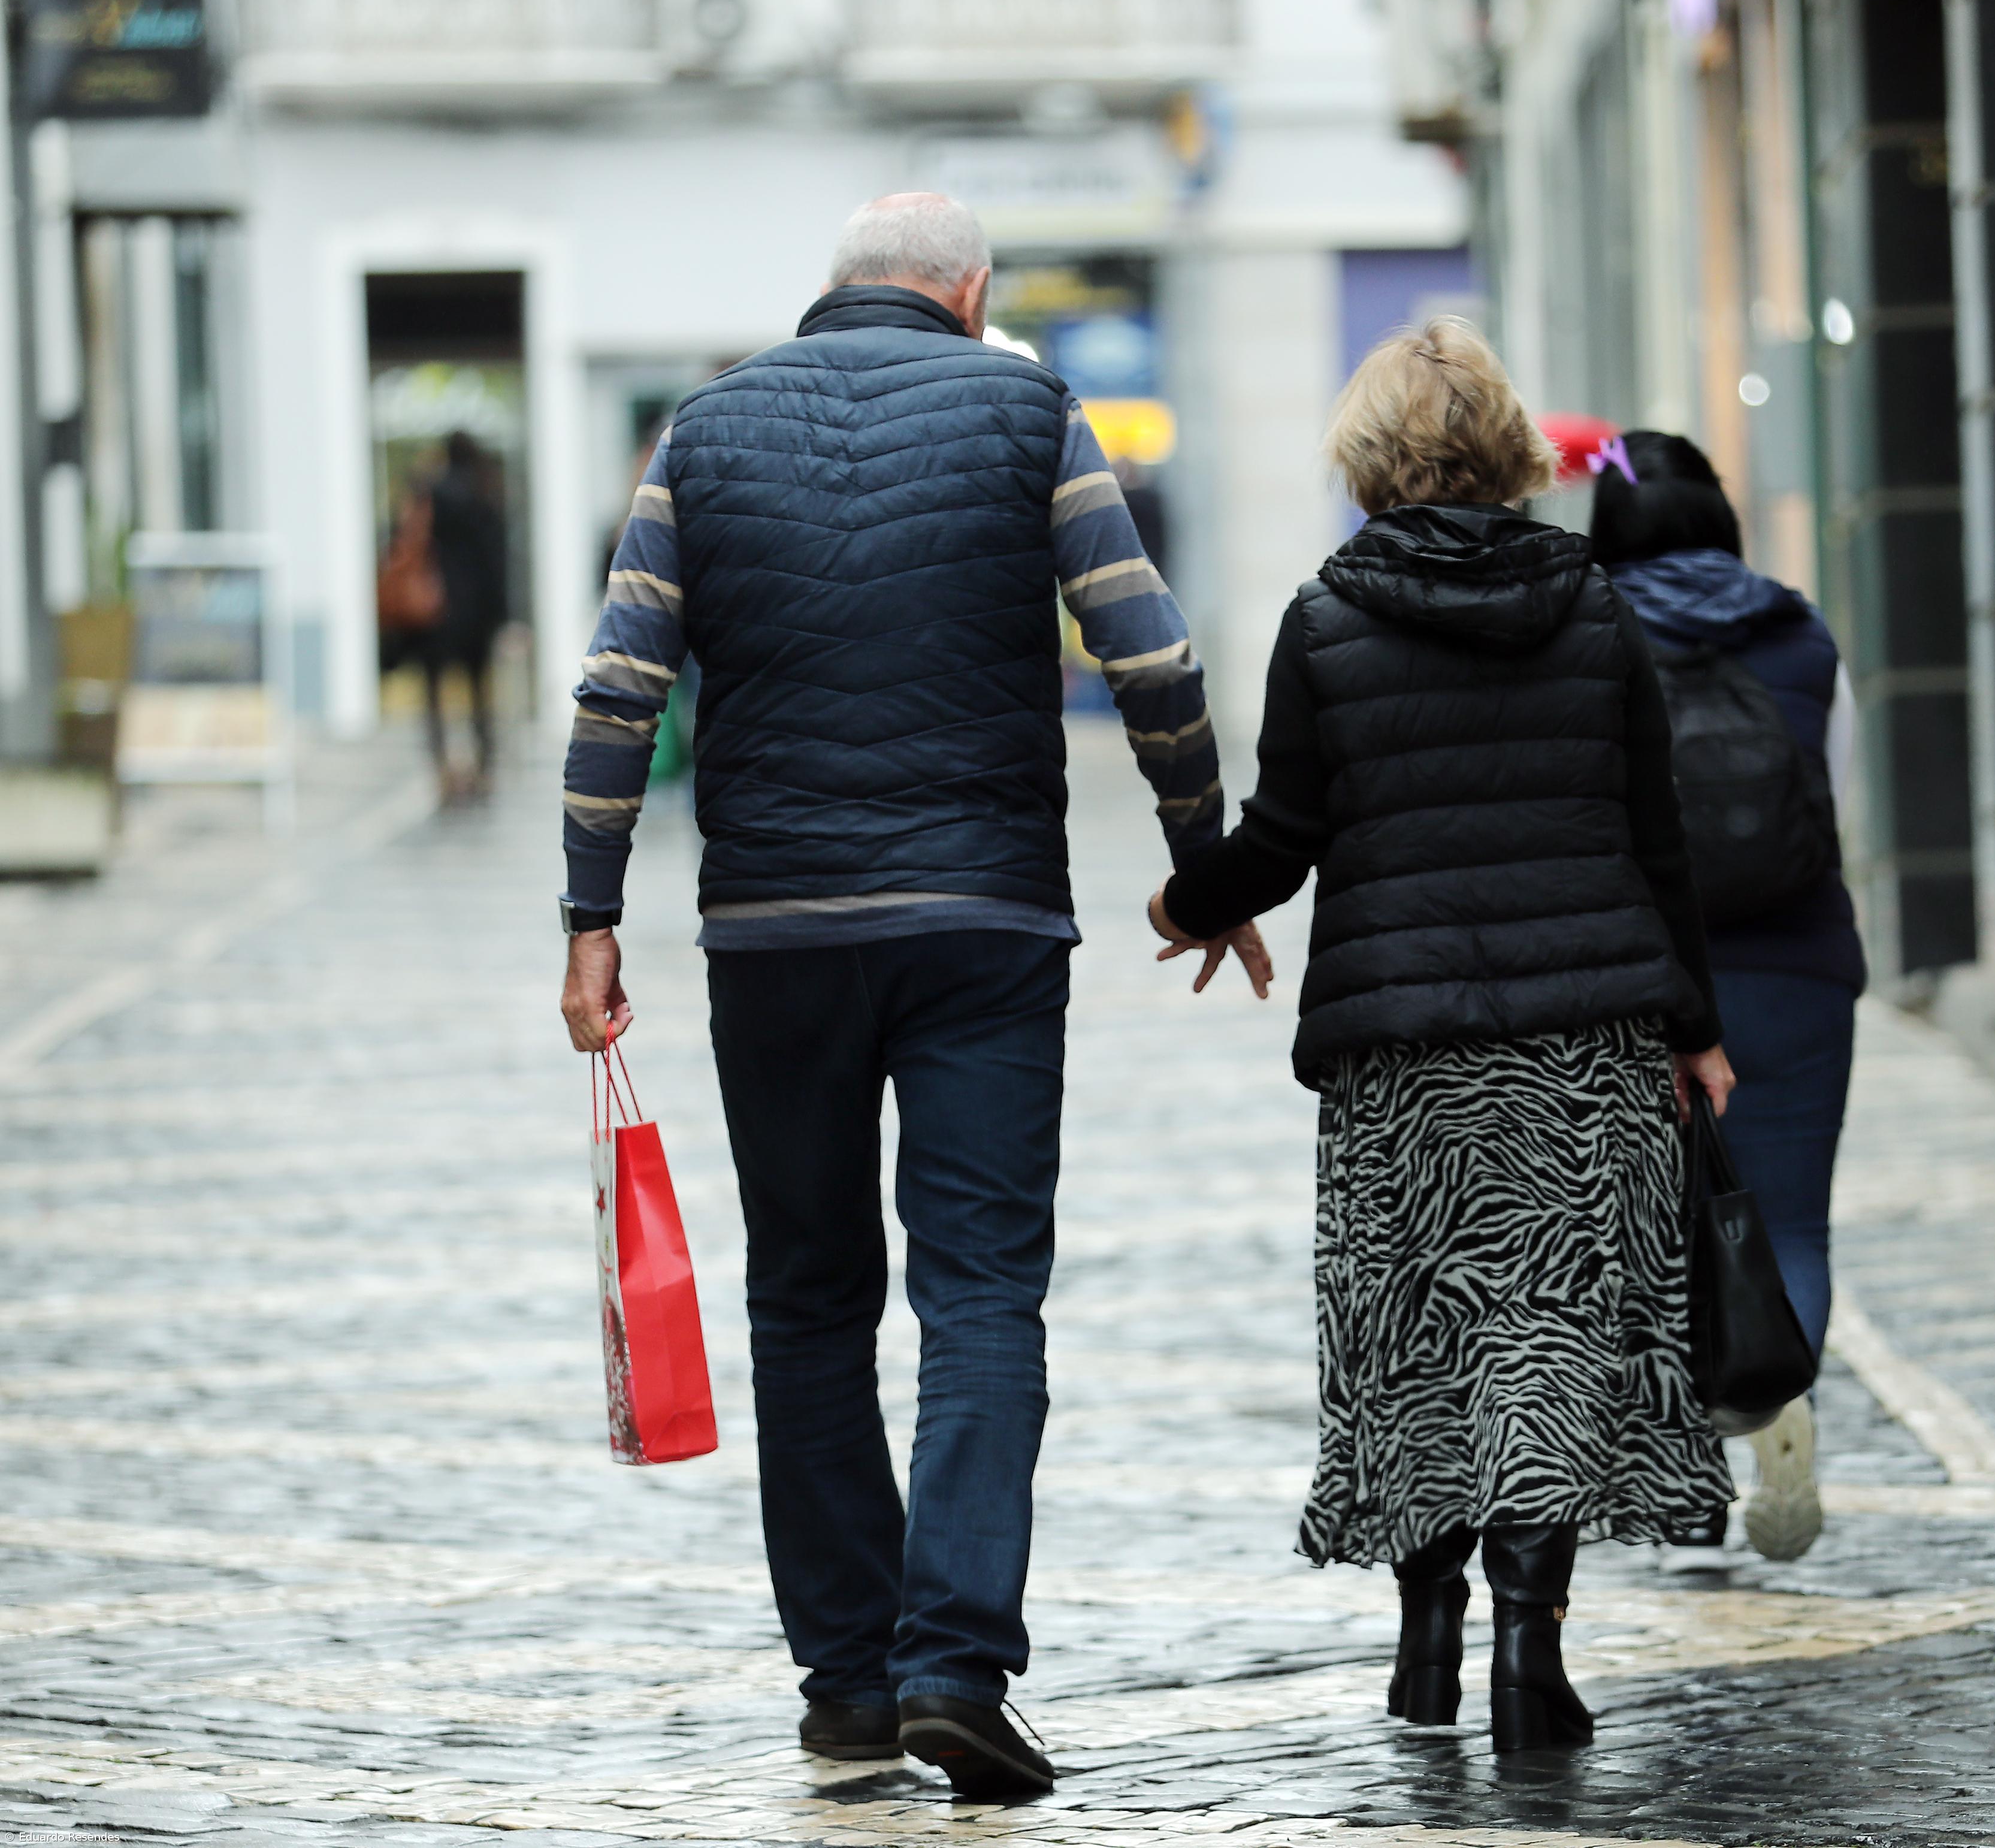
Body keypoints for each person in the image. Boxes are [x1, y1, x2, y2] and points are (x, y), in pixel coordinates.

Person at [552, 192, 1268, 1800]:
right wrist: (1200, 862)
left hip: (777, 934)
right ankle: (954, 1657)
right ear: (968, 292)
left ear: (835, 290)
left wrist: (591, 917)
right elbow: (1147, 654)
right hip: (984, 927)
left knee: (807, 1299)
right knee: (980, 1292)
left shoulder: (703, 430)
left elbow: (620, 682)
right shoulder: (1030, 408)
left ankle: (846, 1686)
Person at [1148, 319, 1736, 1753]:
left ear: (1371, 458)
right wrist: (1697, 1027)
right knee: (1551, 1332)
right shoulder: (1594, 606)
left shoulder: (1325, 617)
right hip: (1585, 1038)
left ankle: (1427, 1643)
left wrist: (1188, 898)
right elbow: (1657, 835)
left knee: (1418, 1333)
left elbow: (1286, 834)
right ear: (1507, 452)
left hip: (1401, 1050)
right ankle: (1533, 1649)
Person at [1589, 430, 1864, 1564]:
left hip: (1646, 974)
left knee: (1653, 1231)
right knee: (1787, 1218)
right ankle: (1778, 1397)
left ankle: (1688, 1463)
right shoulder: (1798, 628)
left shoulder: (1586, 630)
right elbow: (1839, 791)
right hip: (1798, 961)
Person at [422, 430, 509, 802]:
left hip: (436, 609)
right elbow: (495, 560)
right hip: (477, 612)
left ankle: (442, 766)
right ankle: (484, 767)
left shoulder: (432, 493)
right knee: (479, 691)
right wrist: (503, 613)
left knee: (435, 693)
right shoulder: (484, 494)